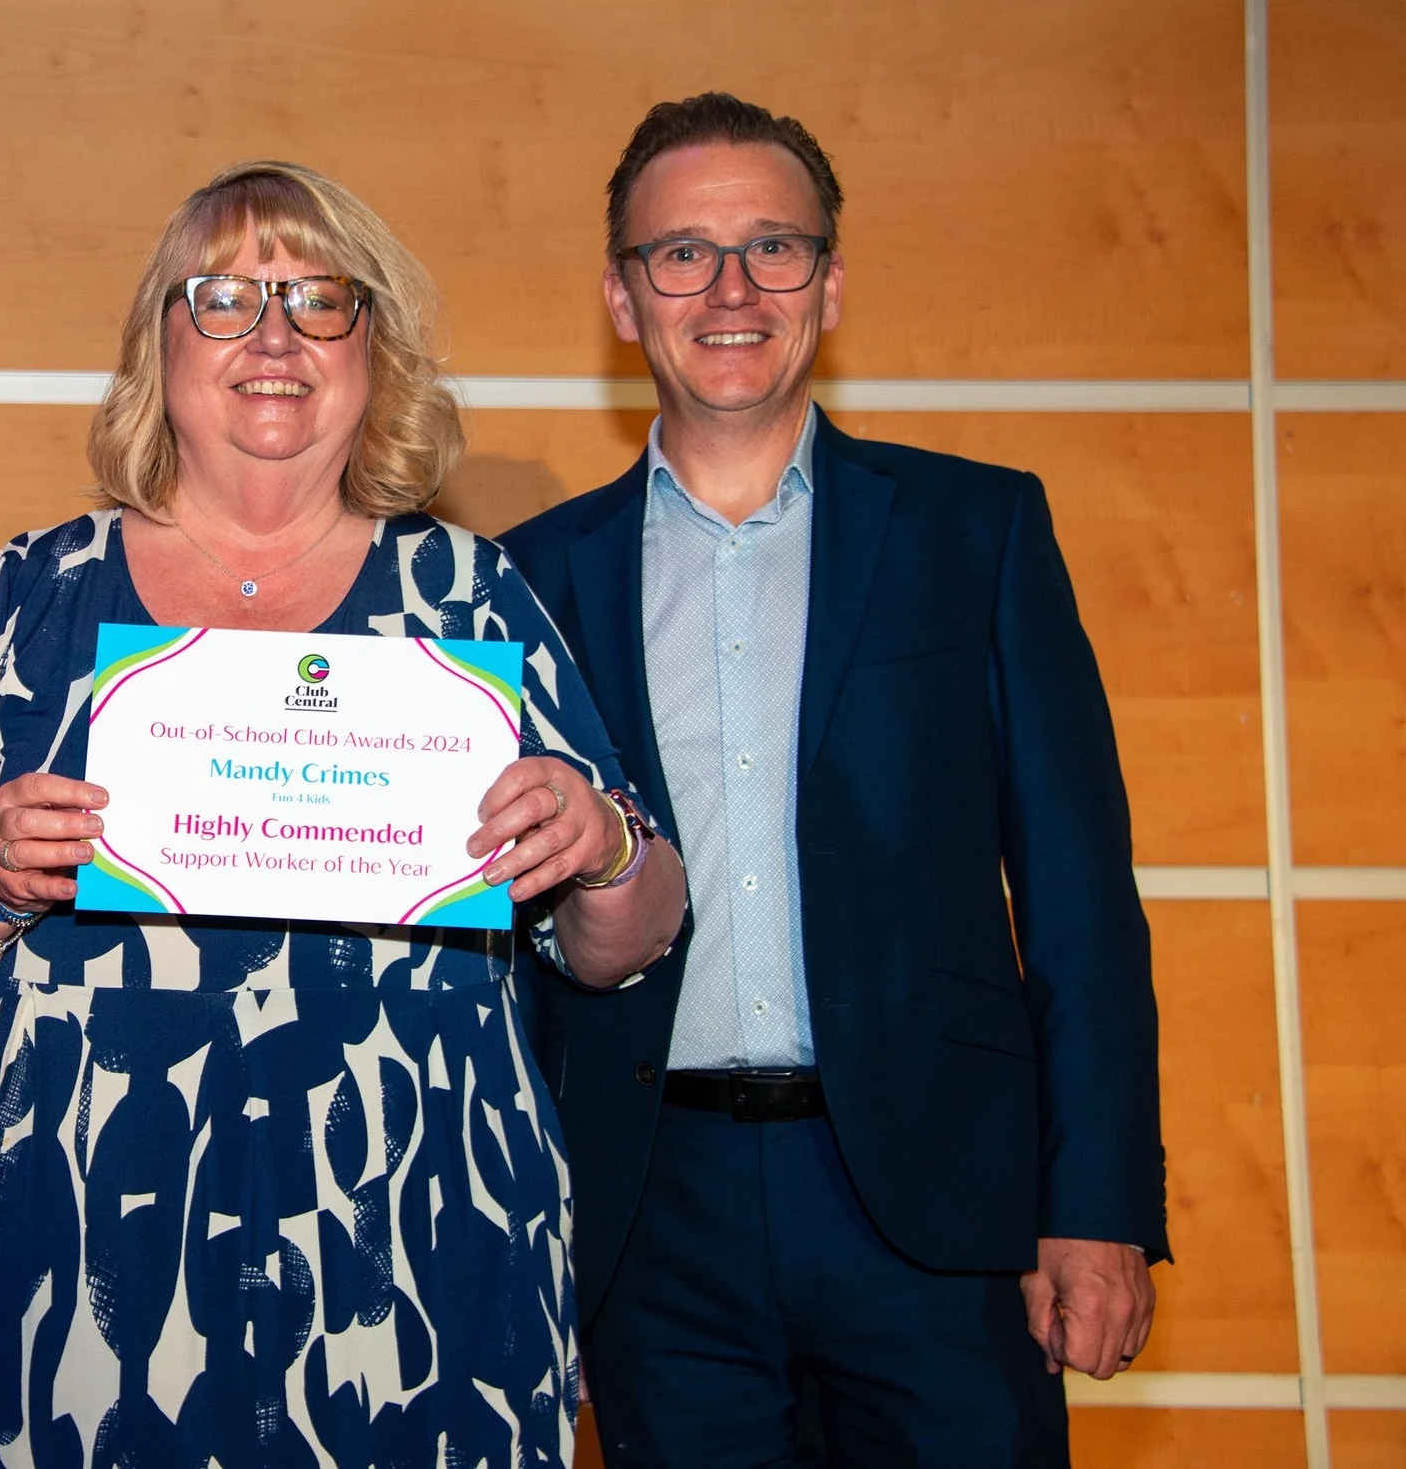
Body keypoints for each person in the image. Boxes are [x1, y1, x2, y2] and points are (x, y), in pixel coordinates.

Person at [0, 162, 687, 1468]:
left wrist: (600, 840)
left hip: (419, 1272)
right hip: (82, 1278)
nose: (274, 337)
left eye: (322, 301)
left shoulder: (472, 599)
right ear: (155, 345)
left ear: (373, 350)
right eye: (222, 299)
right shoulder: (28, 604)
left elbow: (624, 939)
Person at [500, 92, 1167, 1466]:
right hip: (647, 1211)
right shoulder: (522, 580)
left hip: (940, 1205)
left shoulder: (978, 532)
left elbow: (1080, 892)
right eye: (681, 254)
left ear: (831, 283)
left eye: (774, 248)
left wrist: (1093, 1199)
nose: (731, 288)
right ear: (624, 301)